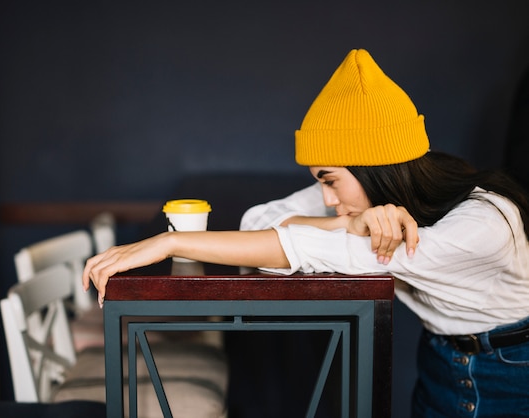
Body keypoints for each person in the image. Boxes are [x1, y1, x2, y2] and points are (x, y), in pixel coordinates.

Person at [83, 49, 529, 417]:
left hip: (512, 372)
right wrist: (344, 222)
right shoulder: (361, 201)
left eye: (330, 180)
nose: (327, 197)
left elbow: (300, 245)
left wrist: (170, 241)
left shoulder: (487, 222)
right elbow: (257, 225)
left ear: (374, 167)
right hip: (441, 364)